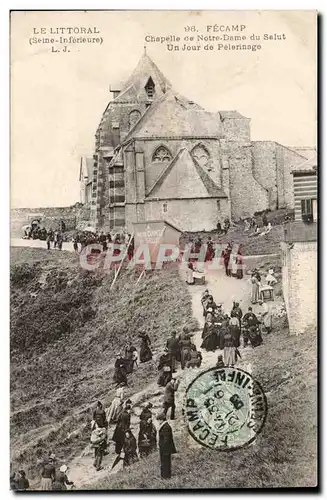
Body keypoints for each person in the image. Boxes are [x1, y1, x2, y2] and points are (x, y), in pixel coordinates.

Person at [157, 412, 177, 479]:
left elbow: (166, 440)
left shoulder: (166, 427)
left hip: (165, 449)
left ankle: (166, 476)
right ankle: (165, 476)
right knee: (164, 462)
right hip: (164, 448)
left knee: (165, 462)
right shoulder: (165, 426)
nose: (158, 421)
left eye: (158, 420)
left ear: (162, 419)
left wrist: (161, 446)